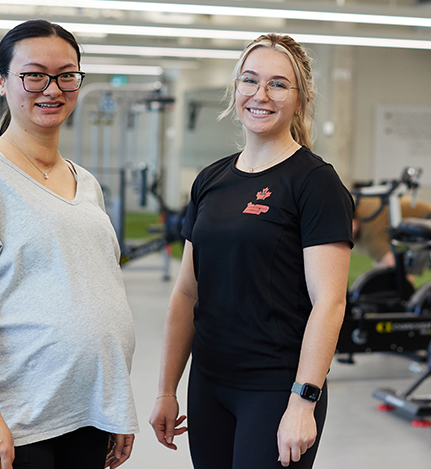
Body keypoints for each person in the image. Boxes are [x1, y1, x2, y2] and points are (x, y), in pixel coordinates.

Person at [0, 19, 136, 469]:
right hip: (18, 420)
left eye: (67, 75)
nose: (52, 89)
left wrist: (115, 404)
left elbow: (99, 294)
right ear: (2, 81)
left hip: (87, 411)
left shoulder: (87, 183)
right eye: (34, 74)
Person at [149, 33, 354, 469]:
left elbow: (330, 302)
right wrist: (167, 389)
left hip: (276, 387)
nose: (261, 95)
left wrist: (303, 401)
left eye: (279, 84)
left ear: (301, 100)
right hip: (209, 382)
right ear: (236, 90)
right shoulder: (210, 180)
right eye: (250, 80)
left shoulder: (314, 183)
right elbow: (187, 292)